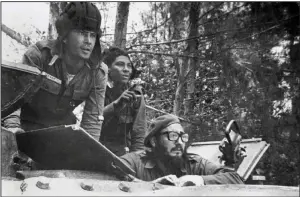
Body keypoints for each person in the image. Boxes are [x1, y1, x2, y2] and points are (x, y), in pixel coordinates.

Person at [2, 2, 107, 141]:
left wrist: (87, 153)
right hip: (23, 128)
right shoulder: (39, 55)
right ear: (65, 36)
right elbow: (14, 99)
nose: (88, 41)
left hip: (58, 136)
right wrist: (12, 129)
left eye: (92, 35)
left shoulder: (97, 72)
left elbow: (92, 122)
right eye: (82, 33)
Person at [120, 114, 244, 185]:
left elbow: (235, 179)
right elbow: (107, 175)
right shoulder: (135, 162)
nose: (179, 142)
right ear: (154, 141)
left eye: (183, 137)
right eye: (172, 136)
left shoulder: (195, 164)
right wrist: (152, 185)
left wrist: (199, 180)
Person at [100, 47, 146, 156]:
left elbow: (139, 133)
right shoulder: (98, 89)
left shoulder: (135, 93)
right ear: (108, 68)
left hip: (122, 153)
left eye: (129, 65)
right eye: (120, 64)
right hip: (97, 147)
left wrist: (136, 160)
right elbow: (89, 120)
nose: (126, 69)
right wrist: (115, 105)